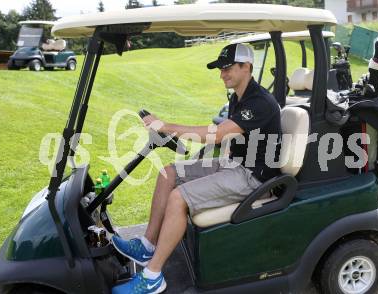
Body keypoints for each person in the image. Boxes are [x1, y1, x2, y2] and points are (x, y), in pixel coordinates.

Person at [112, 43, 282, 294]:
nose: (222, 74)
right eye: (220, 69)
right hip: (233, 165)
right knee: (167, 173)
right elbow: (226, 138)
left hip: (253, 177)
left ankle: (153, 276)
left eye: (227, 68)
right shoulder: (238, 97)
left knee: (178, 197)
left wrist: (166, 126)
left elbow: (217, 135)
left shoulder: (260, 102)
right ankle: (147, 245)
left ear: (246, 67)